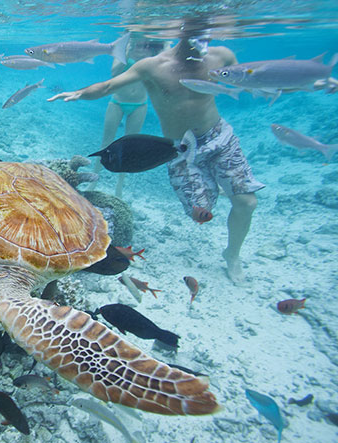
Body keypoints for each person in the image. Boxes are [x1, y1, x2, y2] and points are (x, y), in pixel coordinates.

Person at [48, 30, 263, 284]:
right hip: (179, 147)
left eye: (206, 31)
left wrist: (282, 82)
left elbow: (244, 79)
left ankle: (232, 254)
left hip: (219, 137)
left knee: (247, 202)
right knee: (200, 212)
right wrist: (80, 93)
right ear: (178, 34)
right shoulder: (151, 66)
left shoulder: (222, 56)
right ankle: (215, 184)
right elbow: (108, 86)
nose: (202, 38)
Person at [88, 37, 168, 197]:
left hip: (140, 105)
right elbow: (114, 73)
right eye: (138, 43)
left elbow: (165, 65)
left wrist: (164, 45)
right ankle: (93, 181)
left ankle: (120, 186)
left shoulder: (155, 53)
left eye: (145, 44)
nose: (142, 47)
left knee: (130, 147)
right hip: (117, 102)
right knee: (106, 143)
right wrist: (129, 51)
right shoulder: (123, 49)